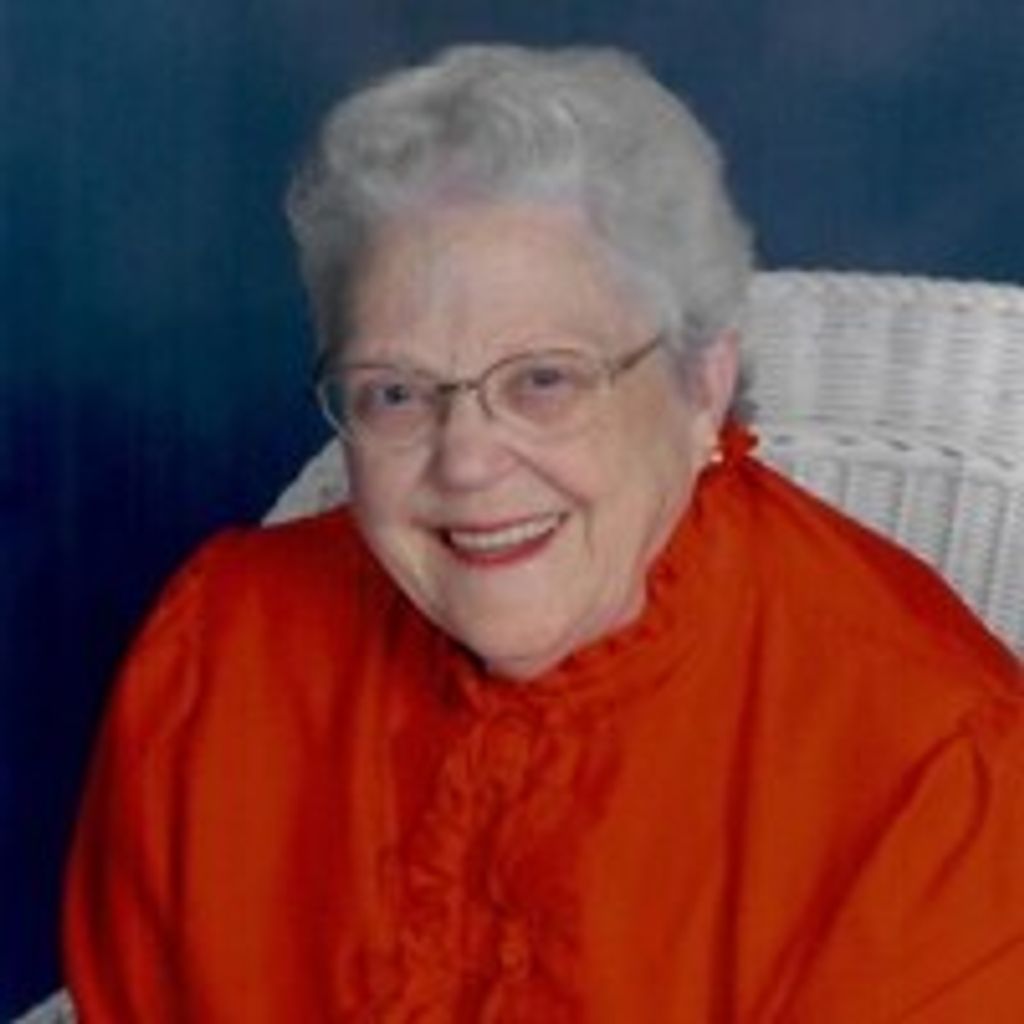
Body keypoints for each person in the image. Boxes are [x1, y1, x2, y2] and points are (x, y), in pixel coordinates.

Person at [63, 44, 1023, 1022]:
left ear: (702, 386)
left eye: (544, 380)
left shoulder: (936, 775)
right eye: (396, 392)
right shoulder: (217, 657)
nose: (467, 462)